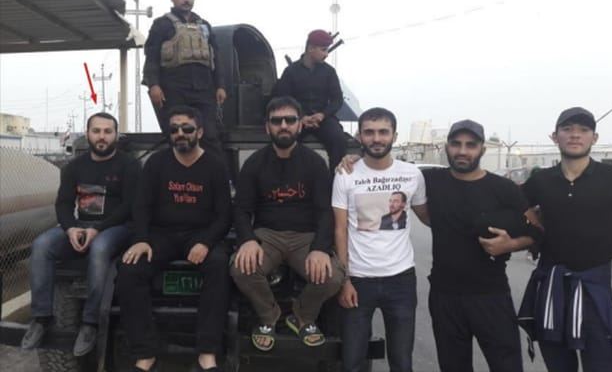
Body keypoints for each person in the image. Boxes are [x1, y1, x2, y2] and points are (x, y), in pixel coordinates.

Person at [518, 107, 612, 372]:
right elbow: (512, 204)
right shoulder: (541, 180)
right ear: (555, 136)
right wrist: (530, 222)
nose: (575, 135)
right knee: (558, 366)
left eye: (583, 130)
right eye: (567, 129)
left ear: (594, 138)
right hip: (551, 287)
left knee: (604, 364)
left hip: (595, 286)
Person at [116, 106, 232, 372]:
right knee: (129, 270)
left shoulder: (215, 165)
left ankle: (207, 354)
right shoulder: (156, 163)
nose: (180, 133)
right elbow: (141, 206)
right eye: (174, 129)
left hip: (200, 236)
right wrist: (141, 239)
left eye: (187, 128)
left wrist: (206, 242)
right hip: (161, 236)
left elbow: (224, 214)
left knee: (219, 266)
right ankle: (145, 354)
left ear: (199, 132)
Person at [230, 96, 345, 351]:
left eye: (290, 120)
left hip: (305, 237)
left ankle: (302, 316)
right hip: (267, 235)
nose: (284, 125)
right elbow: (241, 209)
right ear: (267, 127)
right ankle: (269, 316)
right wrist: (247, 240)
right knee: (240, 268)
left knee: (333, 276)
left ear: (299, 125)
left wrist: (320, 248)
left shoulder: (315, 163)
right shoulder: (254, 163)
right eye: (277, 121)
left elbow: (325, 211)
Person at [21, 113, 140, 357]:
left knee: (99, 248)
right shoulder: (74, 167)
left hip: (117, 228)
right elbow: (64, 203)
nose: (102, 136)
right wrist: (71, 228)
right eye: (96, 131)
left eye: (107, 131)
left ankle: (90, 322)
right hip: (81, 225)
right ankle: (41, 317)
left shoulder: (129, 165)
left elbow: (129, 206)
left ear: (116, 135)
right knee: (42, 245)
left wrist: (98, 229)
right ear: (87, 134)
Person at [423, 119, 536, 372]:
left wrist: (510, 244)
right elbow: (388, 172)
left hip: (491, 295)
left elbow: (537, 231)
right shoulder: (430, 180)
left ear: (482, 149)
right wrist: (351, 160)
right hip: (444, 296)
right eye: (456, 144)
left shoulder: (504, 188)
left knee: (507, 367)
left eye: (470, 145)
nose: (462, 151)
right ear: (447, 147)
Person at [332, 107, 428, 372]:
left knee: (402, 362)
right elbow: (340, 230)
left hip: (401, 280)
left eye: (383, 132)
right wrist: (344, 280)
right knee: (352, 361)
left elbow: (429, 217)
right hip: (358, 281)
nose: (376, 138)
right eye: (370, 132)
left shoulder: (412, 174)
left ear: (394, 136)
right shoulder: (345, 173)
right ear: (359, 136)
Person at [142, 0, 227, 158]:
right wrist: (154, 85)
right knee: (176, 134)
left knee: (210, 135)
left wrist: (220, 86)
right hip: (173, 89)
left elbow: (216, 57)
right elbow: (152, 56)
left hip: (204, 89)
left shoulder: (204, 26)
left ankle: (216, 173)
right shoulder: (162, 24)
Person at [273, 29, 347, 172]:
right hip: (296, 119)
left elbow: (337, 99)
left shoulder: (329, 72)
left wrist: (322, 115)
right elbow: (282, 99)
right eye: (323, 50)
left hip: (323, 119)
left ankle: (336, 181)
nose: (326, 54)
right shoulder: (291, 72)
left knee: (338, 140)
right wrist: (301, 117)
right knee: (284, 140)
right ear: (311, 48)